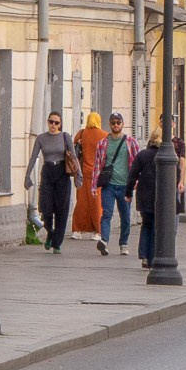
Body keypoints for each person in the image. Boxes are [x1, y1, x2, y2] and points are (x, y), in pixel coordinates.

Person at [24, 112, 79, 253]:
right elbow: (33, 157)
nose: (53, 125)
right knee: (45, 207)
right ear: (47, 122)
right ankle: (50, 231)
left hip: (62, 172)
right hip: (47, 172)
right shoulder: (41, 138)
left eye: (56, 122)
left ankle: (57, 243)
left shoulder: (65, 137)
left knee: (62, 209)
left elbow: (73, 157)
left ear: (60, 124)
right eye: (51, 122)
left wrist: (79, 176)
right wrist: (27, 176)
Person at [94, 112, 141, 257]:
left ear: (122, 124)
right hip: (109, 185)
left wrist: (137, 181)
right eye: (113, 122)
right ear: (109, 124)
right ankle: (104, 241)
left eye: (118, 122)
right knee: (106, 213)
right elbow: (97, 165)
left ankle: (123, 244)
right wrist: (94, 185)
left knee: (125, 217)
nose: (116, 125)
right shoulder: (102, 143)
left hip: (125, 186)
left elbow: (138, 163)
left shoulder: (131, 142)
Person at [128, 130, 165, 269]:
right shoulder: (166, 155)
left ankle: (144, 255)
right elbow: (176, 175)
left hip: (144, 196)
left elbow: (132, 175)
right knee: (156, 226)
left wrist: (128, 192)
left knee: (146, 225)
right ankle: (152, 256)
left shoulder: (142, 155)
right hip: (160, 198)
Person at [71, 112, 107, 241]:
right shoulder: (104, 135)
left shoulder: (81, 134)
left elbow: (72, 148)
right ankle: (98, 230)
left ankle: (77, 229)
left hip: (82, 173)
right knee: (97, 204)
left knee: (81, 203)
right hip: (98, 174)